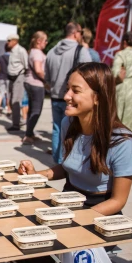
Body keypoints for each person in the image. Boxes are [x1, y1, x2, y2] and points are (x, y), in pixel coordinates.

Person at [5, 63, 132, 263]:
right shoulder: (69, 124)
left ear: (99, 97)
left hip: (102, 208)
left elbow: (118, 201)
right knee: (26, 233)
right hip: (68, 197)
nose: (66, 95)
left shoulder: (122, 140)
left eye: (75, 90)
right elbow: (66, 169)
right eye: (68, 88)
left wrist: (76, 218)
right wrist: (37, 175)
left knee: (65, 247)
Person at [45, 22, 92, 163]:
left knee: (57, 128)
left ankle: (57, 161)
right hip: (73, 99)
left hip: (54, 96)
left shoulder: (51, 51)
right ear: (76, 33)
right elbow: (89, 75)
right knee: (72, 130)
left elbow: (46, 78)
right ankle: (65, 161)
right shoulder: (80, 50)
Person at [22, 31, 48, 145]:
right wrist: (47, 81)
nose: (46, 43)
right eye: (45, 40)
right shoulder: (37, 53)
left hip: (30, 83)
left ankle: (30, 132)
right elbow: (38, 69)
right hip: (36, 84)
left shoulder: (32, 51)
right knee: (36, 110)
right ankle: (28, 135)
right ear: (39, 41)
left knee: (32, 109)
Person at [6, 33, 28, 132]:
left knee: (16, 101)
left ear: (15, 41)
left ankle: (16, 124)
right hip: (11, 78)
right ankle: (16, 121)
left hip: (19, 77)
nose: (8, 43)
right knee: (11, 100)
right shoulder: (12, 51)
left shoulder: (21, 50)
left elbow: (26, 65)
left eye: (9, 40)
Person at [0, 44, 11, 116]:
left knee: (0, 94)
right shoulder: (12, 57)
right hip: (9, 78)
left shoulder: (0, 58)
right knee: (9, 94)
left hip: (1, 77)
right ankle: (9, 110)